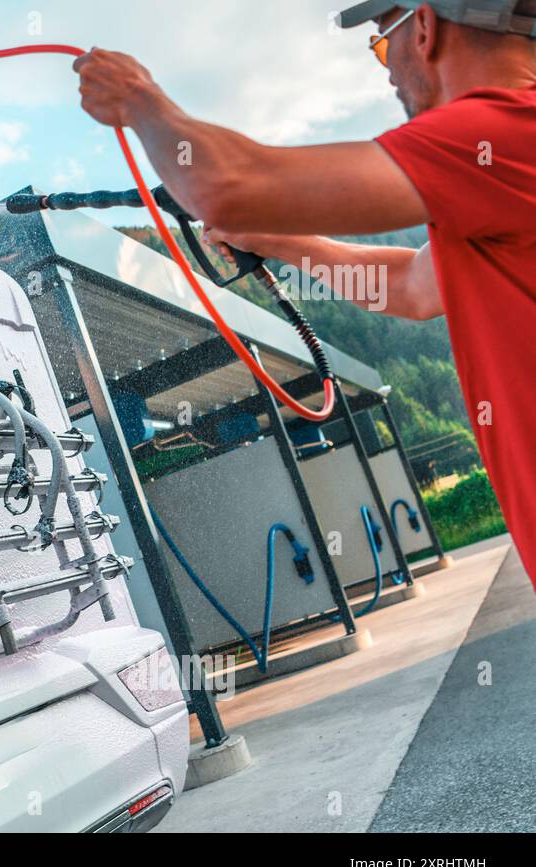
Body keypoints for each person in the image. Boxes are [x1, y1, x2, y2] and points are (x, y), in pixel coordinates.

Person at [74, 0, 536, 578]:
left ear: (424, 24)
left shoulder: (507, 131)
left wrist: (138, 98)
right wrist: (280, 239)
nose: (387, 71)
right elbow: (407, 287)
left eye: (380, 42)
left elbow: (225, 185)